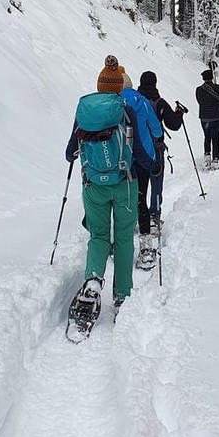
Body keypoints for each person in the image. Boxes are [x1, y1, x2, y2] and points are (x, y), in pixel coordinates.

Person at [64, 56, 151, 335]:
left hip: (93, 187)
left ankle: (92, 280)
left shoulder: (85, 112)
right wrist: (154, 166)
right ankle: (122, 295)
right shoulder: (126, 110)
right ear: (118, 88)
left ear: (99, 86)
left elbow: (70, 152)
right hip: (124, 184)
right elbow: (139, 150)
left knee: (99, 236)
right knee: (124, 238)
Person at [118, 71, 165, 271]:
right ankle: (146, 242)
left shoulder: (114, 102)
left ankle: (119, 241)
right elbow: (156, 130)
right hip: (144, 157)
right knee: (141, 196)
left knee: (122, 197)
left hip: (121, 158)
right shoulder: (143, 101)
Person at [137, 71, 186, 231]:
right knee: (156, 183)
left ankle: (138, 214)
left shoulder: (135, 101)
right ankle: (154, 215)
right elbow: (174, 125)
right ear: (155, 83)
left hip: (136, 149)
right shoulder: (159, 102)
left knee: (138, 184)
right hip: (155, 148)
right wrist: (179, 113)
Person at [195, 67, 219, 170]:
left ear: (203, 78)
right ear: (212, 77)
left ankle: (207, 158)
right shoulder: (217, 87)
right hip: (216, 117)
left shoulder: (199, 89)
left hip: (204, 118)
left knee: (207, 137)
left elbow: (199, 101)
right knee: (215, 139)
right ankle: (215, 160)